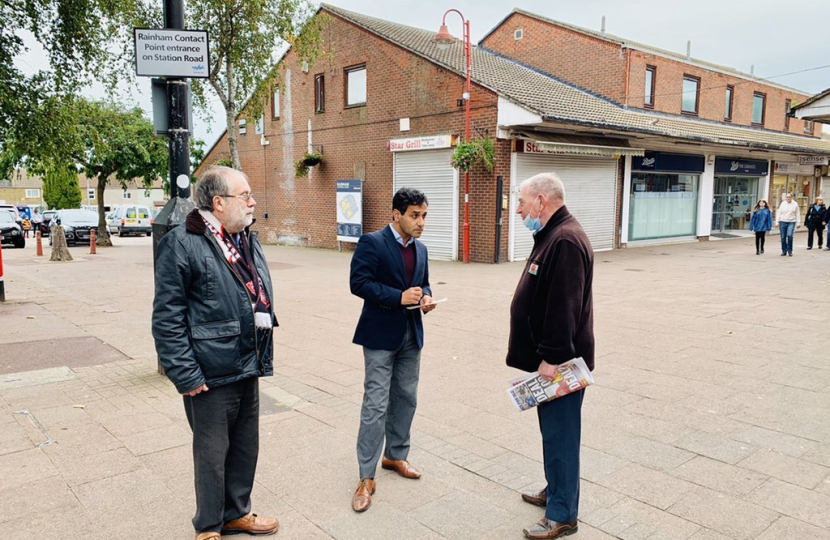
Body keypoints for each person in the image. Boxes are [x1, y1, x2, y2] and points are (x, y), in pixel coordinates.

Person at [152, 166, 279, 540]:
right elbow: (167, 317)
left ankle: (236, 512)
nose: (253, 202)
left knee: (245, 445)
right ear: (218, 202)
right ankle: (208, 526)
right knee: (211, 453)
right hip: (209, 370)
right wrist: (186, 374)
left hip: (247, 358)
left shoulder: (244, 238)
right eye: (245, 195)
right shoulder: (183, 241)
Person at [507, 173, 594, 540]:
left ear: (541, 201)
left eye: (523, 203)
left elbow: (564, 307)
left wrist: (551, 358)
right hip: (550, 359)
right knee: (552, 433)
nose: (519, 211)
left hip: (559, 363)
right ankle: (555, 490)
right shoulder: (552, 235)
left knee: (561, 435)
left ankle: (562, 514)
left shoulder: (565, 240)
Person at [349, 187, 437, 513]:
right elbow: (359, 283)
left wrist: (425, 297)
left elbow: (423, 282)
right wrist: (397, 297)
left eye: (424, 215)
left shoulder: (422, 249)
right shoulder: (372, 242)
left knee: (406, 397)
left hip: (411, 334)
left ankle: (396, 455)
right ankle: (366, 476)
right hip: (379, 335)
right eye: (415, 215)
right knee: (375, 404)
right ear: (396, 214)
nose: (421, 222)